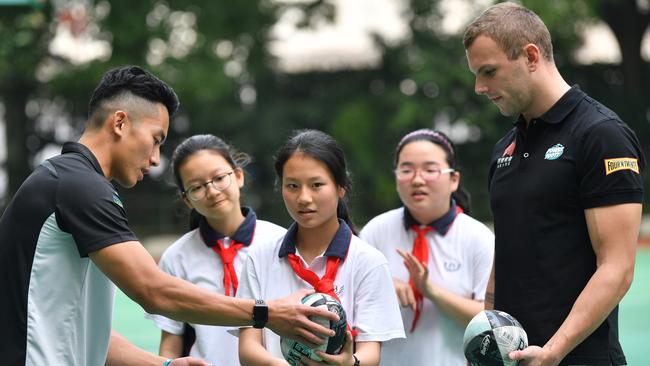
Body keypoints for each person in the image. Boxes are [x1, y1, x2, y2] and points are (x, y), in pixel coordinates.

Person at [0, 66, 337, 366]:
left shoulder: (73, 182)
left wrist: (161, 365)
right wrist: (267, 313)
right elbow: (154, 291)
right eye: (156, 140)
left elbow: (84, 330)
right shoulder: (78, 185)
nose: (156, 159)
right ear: (120, 122)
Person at [463, 3, 644, 365]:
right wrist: (486, 334)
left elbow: (617, 268)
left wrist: (554, 350)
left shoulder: (601, 135)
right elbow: (507, 248)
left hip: (580, 357)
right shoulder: (505, 148)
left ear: (530, 56)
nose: (480, 87)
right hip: (515, 357)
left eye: (489, 71)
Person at [237, 129, 405, 366]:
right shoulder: (259, 258)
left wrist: (349, 363)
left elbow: (371, 351)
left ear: (341, 187)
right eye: (292, 186)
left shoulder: (369, 261)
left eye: (316, 185)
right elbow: (248, 347)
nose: (303, 198)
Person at [146, 134, 287, 365]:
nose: (211, 191)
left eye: (219, 178)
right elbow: (171, 342)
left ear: (239, 176)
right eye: (197, 187)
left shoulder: (280, 242)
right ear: (187, 200)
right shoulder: (176, 257)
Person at [360, 128, 494, 366]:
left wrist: (431, 291)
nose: (417, 179)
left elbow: (490, 319)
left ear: (454, 180)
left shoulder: (478, 238)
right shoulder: (375, 231)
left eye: (430, 170)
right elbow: (351, 300)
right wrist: (383, 285)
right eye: (407, 170)